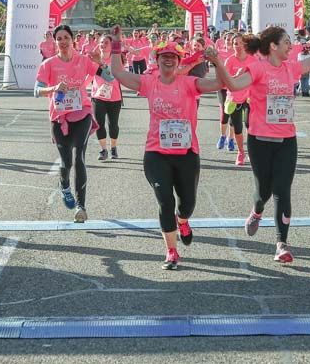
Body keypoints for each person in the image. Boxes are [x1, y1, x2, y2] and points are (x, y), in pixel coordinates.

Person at [221, 26, 310, 264]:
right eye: (286, 42)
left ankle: (281, 243)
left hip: (286, 140)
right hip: (260, 141)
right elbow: (234, 85)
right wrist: (217, 63)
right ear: (273, 46)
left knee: (282, 191)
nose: (290, 46)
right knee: (263, 191)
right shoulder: (258, 68)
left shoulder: (290, 68)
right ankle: (257, 210)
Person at [107, 27, 226, 269]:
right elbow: (117, 72)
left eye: (173, 56)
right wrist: (116, 44)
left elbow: (221, 84)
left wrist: (216, 61)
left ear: (179, 61)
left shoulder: (191, 83)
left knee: (187, 204)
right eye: (164, 57)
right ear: (157, 61)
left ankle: (183, 221)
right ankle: (171, 251)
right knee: (164, 202)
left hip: (186, 154)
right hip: (156, 154)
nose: (169, 59)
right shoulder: (149, 82)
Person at [34, 24, 104, 222]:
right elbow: (36, 90)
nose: (63, 41)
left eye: (66, 37)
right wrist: (54, 88)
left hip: (82, 112)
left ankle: (81, 206)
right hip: (59, 116)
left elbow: (108, 77)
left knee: (79, 157)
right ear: (55, 42)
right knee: (66, 162)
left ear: (72, 40)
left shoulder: (83, 61)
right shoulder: (48, 64)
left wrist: (102, 63)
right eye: (59, 38)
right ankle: (64, 185)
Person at [222, 33, 258, 166]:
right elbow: (224, 82)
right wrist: (235, 76)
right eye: (236, 43)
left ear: (246, 45)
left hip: (250, 97)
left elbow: (259, 78)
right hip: (234, 98)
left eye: (241, 43)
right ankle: (241, 152)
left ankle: (253, 152)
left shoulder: (253, 60)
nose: (238, 46)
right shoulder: (229, 61)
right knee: (237, 127)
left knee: (250, 125)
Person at [91, 33, 123, 161]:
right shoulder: (93, 58)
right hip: (97, 96)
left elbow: (112, 77)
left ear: (111, 46)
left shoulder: (116, 59)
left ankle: (113, 148)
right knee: (99, 124)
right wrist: (79, 85)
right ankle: (103, 150)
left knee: (113, 124)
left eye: (106, 43)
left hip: (114, 96)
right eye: (101, 42)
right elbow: (89, 75)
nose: (103, 45)